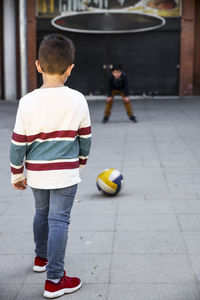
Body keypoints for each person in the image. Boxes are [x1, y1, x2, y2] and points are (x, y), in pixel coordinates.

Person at [10, 34, 91, 299]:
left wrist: (16, 173)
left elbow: (18, 143)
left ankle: (41, 258)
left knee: (41, 212)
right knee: (59, 220)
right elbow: (85, 139)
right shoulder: (78, 99)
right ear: (70, 69)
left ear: (37, 66)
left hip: (36, 173)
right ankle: (55, 280)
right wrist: (80, 163)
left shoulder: (27, 101)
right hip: (66, 172)